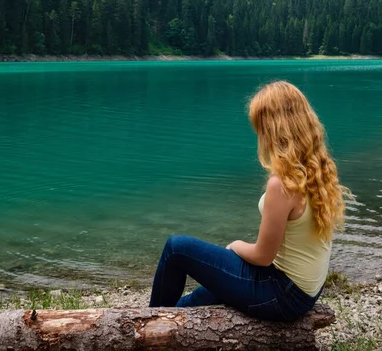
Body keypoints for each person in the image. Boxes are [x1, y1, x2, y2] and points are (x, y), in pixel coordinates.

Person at [149, 80, 349, 320]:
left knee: (176, 248)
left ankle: (148, 325)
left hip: (281, 294)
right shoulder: (317, 169)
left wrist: (235, 245)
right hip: (305, 290)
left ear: (274, 128)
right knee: (199, 298)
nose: (259, 135)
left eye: (260, 127)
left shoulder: (283, 183)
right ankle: (167, 323)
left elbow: (263, 256)